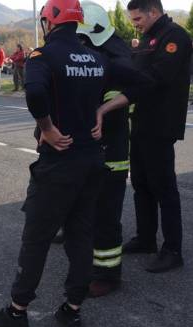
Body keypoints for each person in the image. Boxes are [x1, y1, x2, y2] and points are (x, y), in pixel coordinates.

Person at [0, 0, 113, 327]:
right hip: (92, 160)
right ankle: (72, 307)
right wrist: (101, 113)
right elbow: (136, 81)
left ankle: (16, 311)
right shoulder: (96, 57)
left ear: (48, 23)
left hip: (60, 163)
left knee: (37, 238)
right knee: (81, 236)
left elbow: (35, 92)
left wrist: (48, 128)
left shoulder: (44, 55)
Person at [94, 0, 192, 273]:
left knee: (164, 188)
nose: (134, 24)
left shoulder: (176, 37)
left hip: (160, 125)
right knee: (140, 183)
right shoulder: (149, 37)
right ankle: (146, 238)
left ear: (153, 12)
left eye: (137, 19)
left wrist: (109, 105)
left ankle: (172, 250)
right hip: (139, 122)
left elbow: (154, 79)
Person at [75, 1, 133, 296]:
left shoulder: (116, 58)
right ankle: (94, 265)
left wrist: (99, 109)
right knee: (93, 211)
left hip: (112, 152)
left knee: (106, 215)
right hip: (99, 147)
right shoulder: (106, 50)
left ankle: (108, 276)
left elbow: (127, 94)